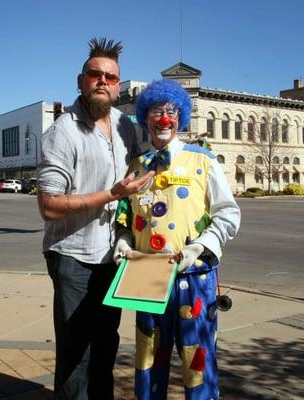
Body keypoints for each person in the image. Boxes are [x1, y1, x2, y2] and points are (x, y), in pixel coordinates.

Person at [36, 37, 154, 400]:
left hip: (111, 259)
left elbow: (141, 173)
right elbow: (49, 206)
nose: (103, 80)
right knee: (77, 354)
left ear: (119, 86)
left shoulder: (125, 127)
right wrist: (112, 194)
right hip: (74, 258)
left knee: (105, 346)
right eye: (95, 74)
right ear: (81, 80)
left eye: (111, 76)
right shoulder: (62, 132)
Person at [113, 79, 241, 400]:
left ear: (181, 118)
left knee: (196, 359)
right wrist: (123, 240)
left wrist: (199, 247)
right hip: (145, 275)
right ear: (145, 119)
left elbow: (228, 215)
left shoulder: (202, 160)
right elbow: (125, 217)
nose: (164, 119)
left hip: (193, 278)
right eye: (157, 112)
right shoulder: (137, 165)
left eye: (171, 112)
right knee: (147, 358)